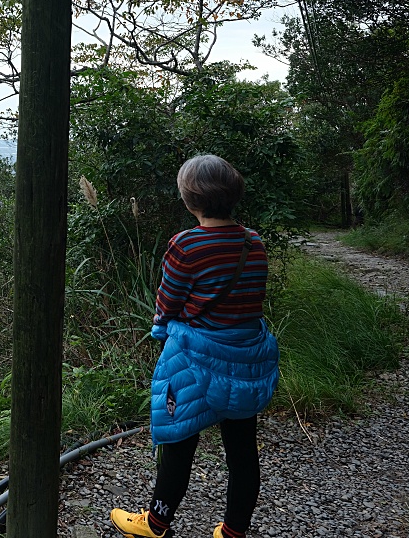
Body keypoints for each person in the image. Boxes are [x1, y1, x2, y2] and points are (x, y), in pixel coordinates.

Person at [110, 154, 279, 538]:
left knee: (179, 439)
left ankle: (155, 524)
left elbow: (167, 303)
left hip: (195, 359)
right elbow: (251, 298)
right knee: (242, 450)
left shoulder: (186, 245)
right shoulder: (253, 242)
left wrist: (162, 326)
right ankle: (232, 532)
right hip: (245, 358)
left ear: (190, 200)